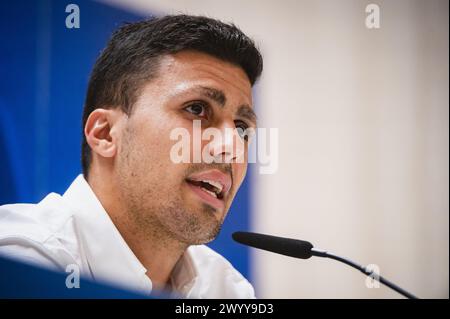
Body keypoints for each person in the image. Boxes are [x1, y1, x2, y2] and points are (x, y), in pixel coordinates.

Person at [0, 14, 263, 298]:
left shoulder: (228, 290)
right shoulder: (20, 260)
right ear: (105, 134)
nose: (232, 146)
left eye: (241, 128)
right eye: (197, 109)